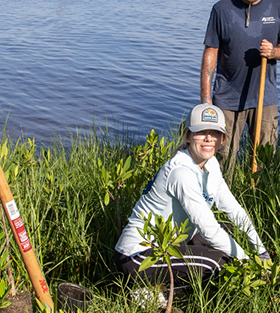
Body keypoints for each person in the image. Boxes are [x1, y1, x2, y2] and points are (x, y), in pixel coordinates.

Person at [115, 104, 270, 291]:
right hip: (138, 256)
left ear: (222, 138)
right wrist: (247, 263)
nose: (208, 138)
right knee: (216, 263)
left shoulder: (211, 164)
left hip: (171, 243)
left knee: (228, 231)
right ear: (188, 136)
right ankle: (154, 295)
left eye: (215, 133)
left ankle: (167, 287)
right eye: (201, 132)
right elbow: (209, 229)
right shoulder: (181, 172)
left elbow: (234, 210)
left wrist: (261, 251)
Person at [202, 0, 280, 173]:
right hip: (227, 99)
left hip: (265, 97)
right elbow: (210, 53)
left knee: (264, 158)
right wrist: (206, 99)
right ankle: (220, 204)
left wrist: (273, 53)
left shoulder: (276, 6)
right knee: (223, 159)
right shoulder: (221, 9)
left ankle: (259, 201)